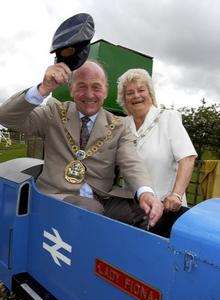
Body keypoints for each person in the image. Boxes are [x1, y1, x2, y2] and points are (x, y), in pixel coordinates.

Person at [0, 61, 163, 229]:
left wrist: (145, 193)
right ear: (71, 90)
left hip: (101, 199)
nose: (89, 94)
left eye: (96, 87)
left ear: (106, 91)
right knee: (89, 210)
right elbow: (6, 117)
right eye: (82, 86)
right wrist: (43, 88)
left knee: (144, 212)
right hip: (57, 197)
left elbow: (131, 162)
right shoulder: (53, 113)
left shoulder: (118, 125)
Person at [117, 68, 197, 215]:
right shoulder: (122, 125)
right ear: (124, 99)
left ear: (150, 93)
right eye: (130, 93)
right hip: (131, 208)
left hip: (167, 207)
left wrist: (176, 195)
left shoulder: (168, 118)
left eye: (141, 90)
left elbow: (188, 158)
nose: (136, 96)